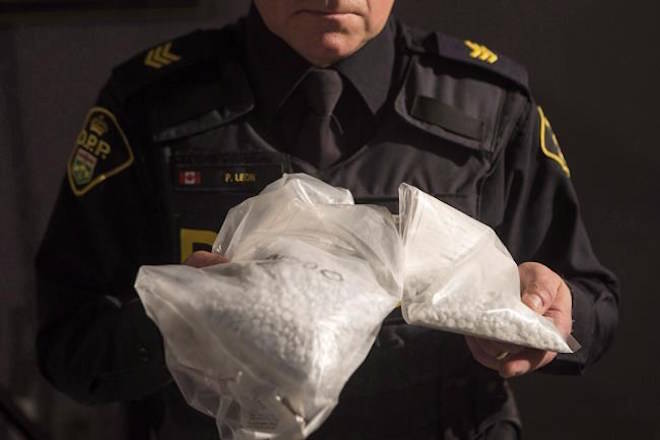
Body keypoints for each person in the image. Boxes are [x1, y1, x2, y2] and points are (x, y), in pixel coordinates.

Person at [35, 1, 620, 439]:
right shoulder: (151, 105)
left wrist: (547, 314)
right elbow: (69, 344)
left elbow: (593, 307)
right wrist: (180, 323)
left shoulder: (487, 106)